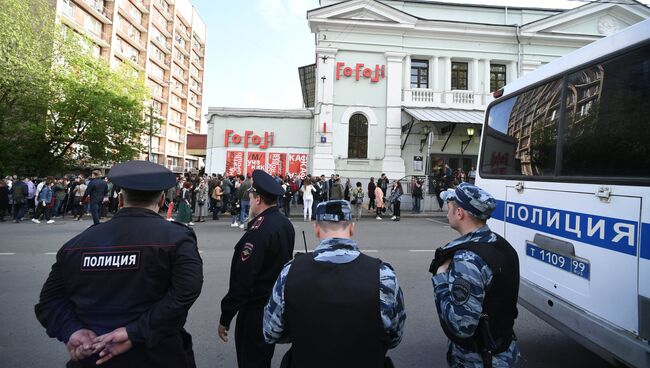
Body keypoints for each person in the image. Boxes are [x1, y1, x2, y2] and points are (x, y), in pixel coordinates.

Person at [34, 160, 203, 367]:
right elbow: (186, 291)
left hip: (93, 353)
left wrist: (71, 330)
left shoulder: (77, 243)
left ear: (121, 199)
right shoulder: (176, 238)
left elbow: (50, 300)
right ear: (161, 201)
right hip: (157, 354)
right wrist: (134, 332)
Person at [263, 200, 406, 367]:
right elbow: (395, 336)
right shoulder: (383, 275)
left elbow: (271, 332)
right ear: (352, 228)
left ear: (316, 229)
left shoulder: (290, 273)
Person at [429, 183, 520, 368]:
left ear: (460, 213)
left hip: (479, 360)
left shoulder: (468, 260)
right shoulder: (502, 244)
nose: (447, 212)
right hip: (505, 351)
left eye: (449, 207)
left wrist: (440, 278)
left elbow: (461, 327)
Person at [218, 169, 295, 368]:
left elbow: (243, 280)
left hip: (255, 312)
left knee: (251, 361)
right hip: (274, 306)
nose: (249, 201)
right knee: (263, 358)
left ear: (258, 199)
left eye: (251, 197)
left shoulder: (258, 231)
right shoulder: (285, 223)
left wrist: (226, 316)